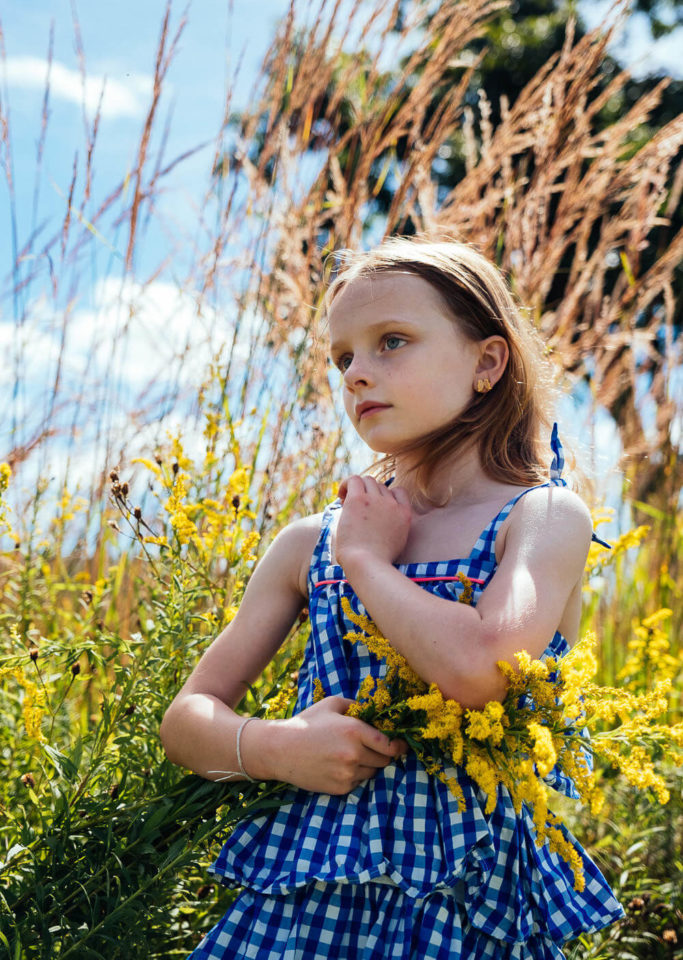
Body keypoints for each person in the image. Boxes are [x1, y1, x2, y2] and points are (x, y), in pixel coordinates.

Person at [161, 238, 624, 959]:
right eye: (342, 357)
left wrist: (367, 563)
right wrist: (277, 748)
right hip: (307, 897)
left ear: (486, 363)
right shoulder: (306, 542)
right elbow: (186, 721)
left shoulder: (541, 517)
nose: (357, 375)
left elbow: (483, 670)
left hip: (467, 904)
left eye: (392, 342)